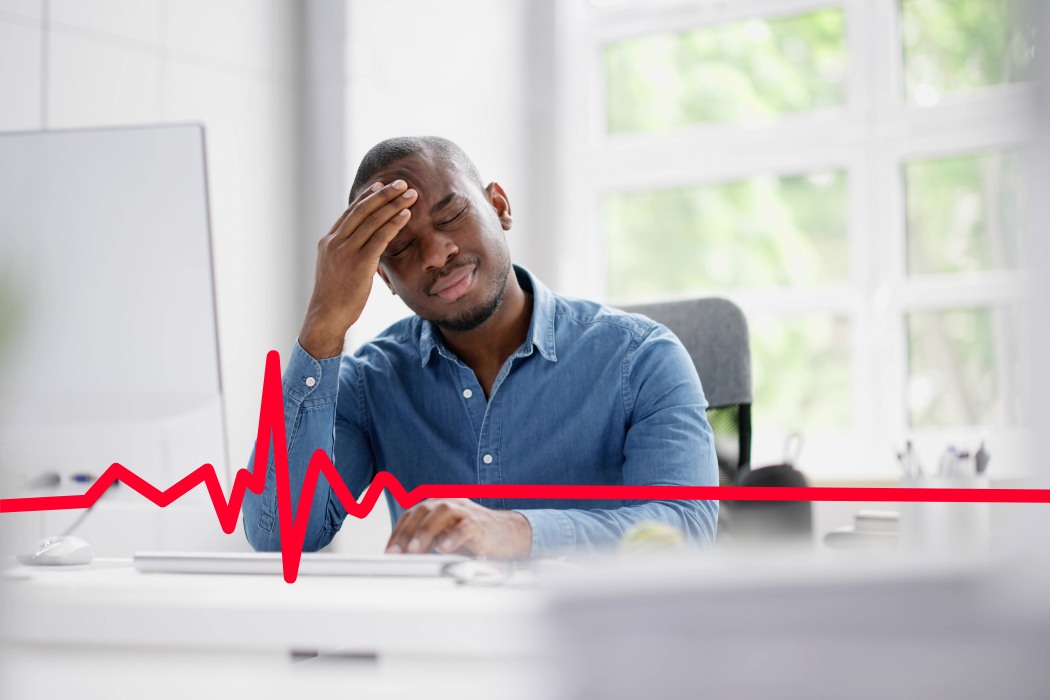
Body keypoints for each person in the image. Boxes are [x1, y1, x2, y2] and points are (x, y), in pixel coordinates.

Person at [241, 136, 718, 558]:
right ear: (381, 277)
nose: (435, 254)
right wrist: (324, 325)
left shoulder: (641, 358)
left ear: (500, 206)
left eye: (452, 215)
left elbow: (685, 532)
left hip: (592, 651)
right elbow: (279, 535)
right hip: (443, 650)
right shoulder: (372, 381)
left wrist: (518, 532)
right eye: (400, 249)